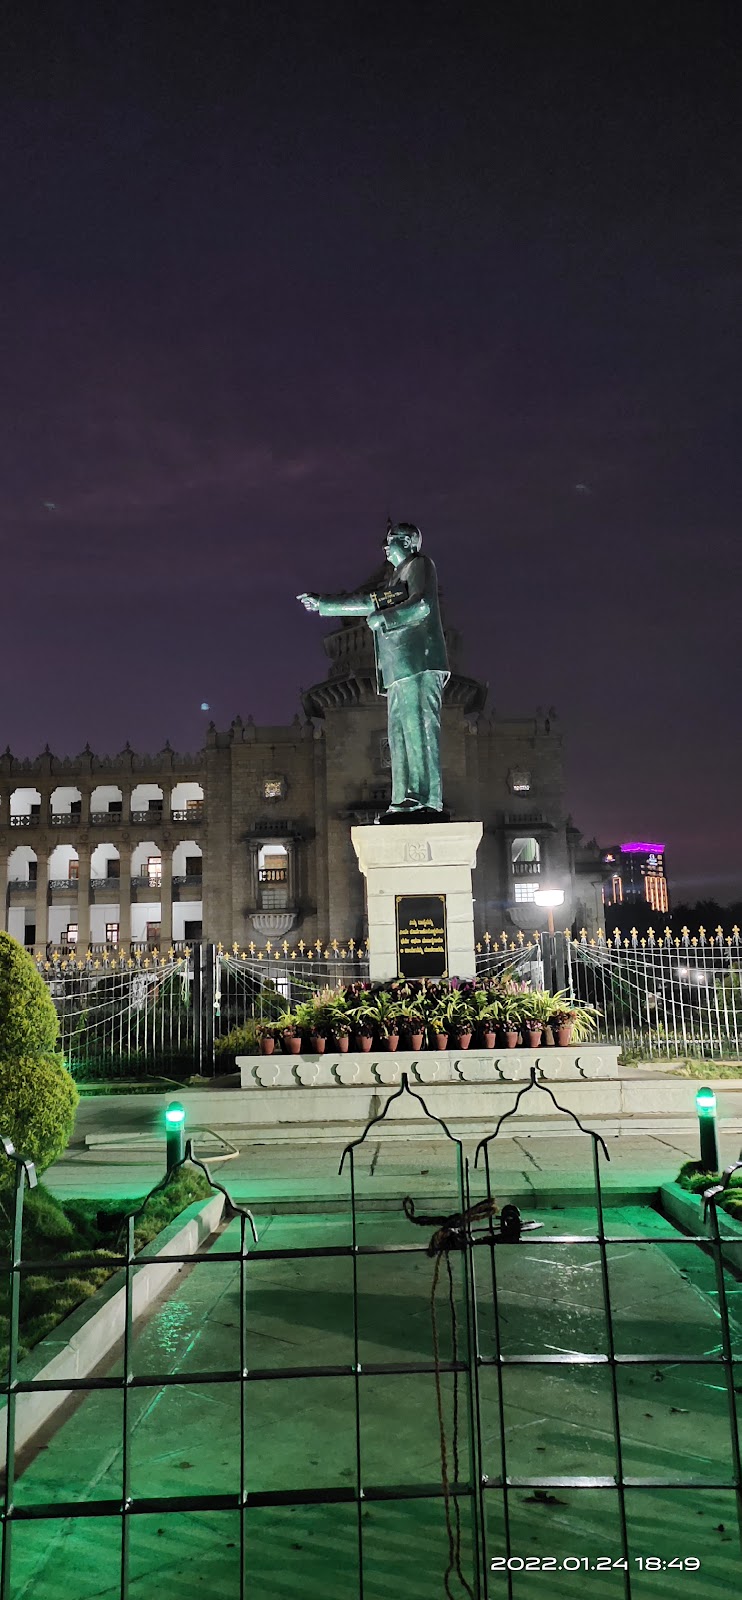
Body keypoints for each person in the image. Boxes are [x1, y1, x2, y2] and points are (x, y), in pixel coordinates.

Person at [298, 521, 449, 818]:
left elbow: (422, 606)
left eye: (391, 539)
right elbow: (368, 602)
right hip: (398, 668)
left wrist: (385, 620)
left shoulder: (420, 565)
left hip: (420, 660)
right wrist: (324, 604)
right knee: (399, 734)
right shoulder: (395, 581)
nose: (384, 543)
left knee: (419, 728)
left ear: (409, 543)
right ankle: (404, 797)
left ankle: (427, 800)